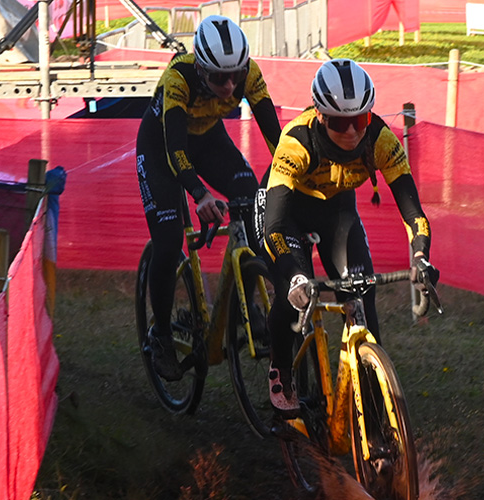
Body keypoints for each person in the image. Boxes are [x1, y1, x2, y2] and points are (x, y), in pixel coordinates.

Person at [261, 58, 437, 411]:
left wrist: (420, 256)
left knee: (362, 292)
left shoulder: (381, 141)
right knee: (289, 293)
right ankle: (280, 369)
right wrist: (296, 276)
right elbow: (274, 226)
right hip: (287, 212)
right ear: (321, 116)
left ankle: (374, 399)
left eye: (360, 119)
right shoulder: (297, 141)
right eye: (342, 122)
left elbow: (414, 213)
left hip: (336, 210)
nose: (353, 132)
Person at [136, 15, 282, 381]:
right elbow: (175, 150)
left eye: (236, 75)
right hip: (163, 149)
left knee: (251, 203)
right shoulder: (178, 78)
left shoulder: (248, 75)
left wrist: (289, 179)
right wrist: (199, 194)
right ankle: (162, 335)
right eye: (219, 78)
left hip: (208, 142)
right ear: (201, 69)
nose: (229, 85)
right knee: (169, 242)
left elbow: (276, 139)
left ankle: (247, 307)